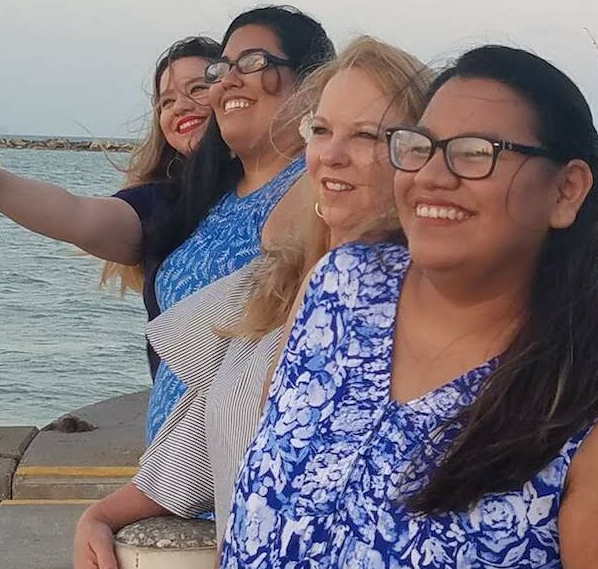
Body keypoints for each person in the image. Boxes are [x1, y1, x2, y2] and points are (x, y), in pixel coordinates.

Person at [219, 45, 598, 567]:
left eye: (475, 153)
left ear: (566, 191)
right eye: (419, 146)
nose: (431, 176)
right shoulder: (342, 287)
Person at [71, 37, 433, 568]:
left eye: (367, 135)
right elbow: (209, 422)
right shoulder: (277, 284)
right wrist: (101, 514)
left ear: (418, 153)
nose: (331, 154)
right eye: (321, 130)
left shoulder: (437, 304)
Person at [0, 35, 221, 379]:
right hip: (183, 423)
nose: (179, 106)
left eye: (197, 88)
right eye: (165, 102)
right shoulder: (160, 205)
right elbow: (76, 215)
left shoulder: (286, 190)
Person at [143, 5, 334, 445]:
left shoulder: (317, 185)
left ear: (311, 83)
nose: (227, 80)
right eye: (223, 68)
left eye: (252, 63)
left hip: (247, 478)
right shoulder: (214, 194)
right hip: (182, 477)